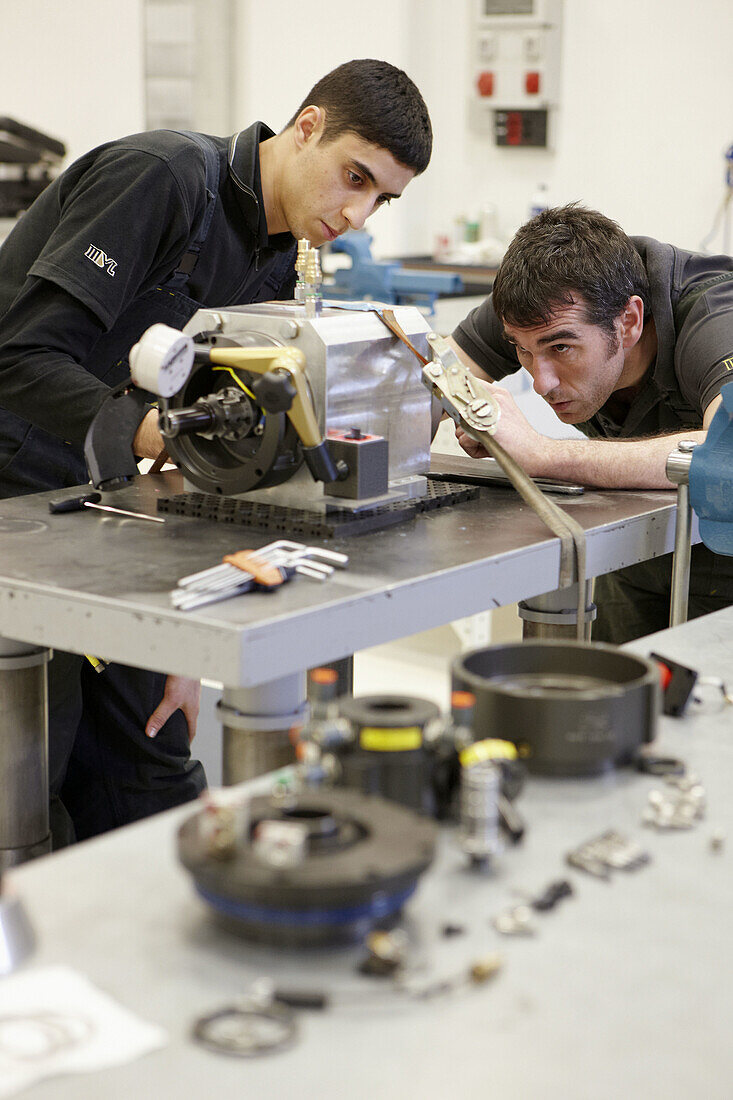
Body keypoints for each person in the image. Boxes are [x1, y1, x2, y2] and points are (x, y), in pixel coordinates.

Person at [0, 58, 432, 847]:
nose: (359, 213)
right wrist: (146, 430)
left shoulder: (277, 253)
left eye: (382, 198)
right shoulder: (160, 178)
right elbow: (17, 355)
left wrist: (180, 640)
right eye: (354, 177)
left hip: (105, 514)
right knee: (32, 777)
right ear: (306, 127)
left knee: (156, 769)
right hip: (15, 506)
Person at [449, 203, 733, 643]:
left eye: (560, 349)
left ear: (630, 322)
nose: (540, 382)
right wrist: (467, 409)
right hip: (638, 548)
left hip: (725, 550)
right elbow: (429, 377)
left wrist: (541, 454)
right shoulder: (539, 306)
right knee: (615, 695)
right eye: (521, 351)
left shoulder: (715, 320)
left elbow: (726, 455)